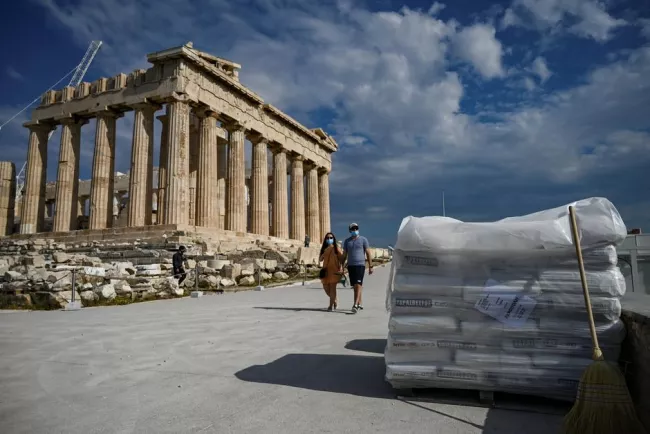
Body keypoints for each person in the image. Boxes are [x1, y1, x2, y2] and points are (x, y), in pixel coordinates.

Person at [341, 223, 373, 313]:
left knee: (358, 284)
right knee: (355, 286)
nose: (355, 230)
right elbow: (344, 254)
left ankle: (355, 304)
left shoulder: (363, 240)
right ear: (350, 230)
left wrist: (370, 266)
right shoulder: (347, 241)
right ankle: (360, 303)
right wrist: (341, 265)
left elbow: (368, 253)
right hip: (351, 265)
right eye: (353, 229)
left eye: (356, 228)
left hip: (360, 265)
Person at [319, 232, 343, 311]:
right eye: (327, 238)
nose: (329, 239)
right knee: (326, 288)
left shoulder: (336, 248)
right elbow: (320, 259)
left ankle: (330, 306)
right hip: (325, 271)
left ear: (333, 239)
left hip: (334, 270)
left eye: (331, 238)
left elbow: (342, 258)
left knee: (333, 288)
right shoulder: (324, 249)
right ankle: (334, 300)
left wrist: (342, 268)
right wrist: (324, 253)